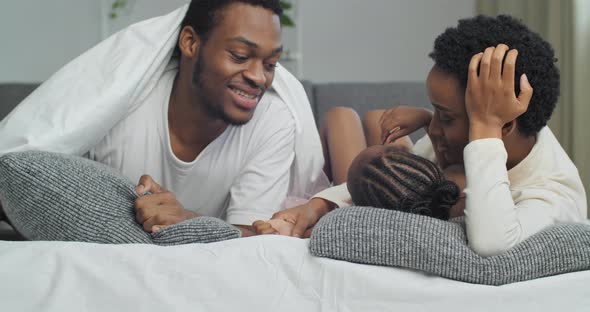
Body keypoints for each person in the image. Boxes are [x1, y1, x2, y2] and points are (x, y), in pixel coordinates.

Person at [0, 1, 327, 237]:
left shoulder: (273, 120)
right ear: (190, 42)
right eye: (240, 56)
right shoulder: (120, 111)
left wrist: (186, 219)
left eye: (270, 64)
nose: (259, 77)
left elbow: (252, 237)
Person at [271, 15, 587, 256]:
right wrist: (319, 206)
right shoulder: (458, 144)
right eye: (433, 113)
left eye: (445, 117)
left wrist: (485, 130)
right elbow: (396, 180)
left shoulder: (553, 196)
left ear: (502, 126)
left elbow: (491, 242)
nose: (433, 130)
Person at [253, 146, 464, 235]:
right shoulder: (459, 187)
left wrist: (280, 228)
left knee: (342, 116)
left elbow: (299, 232)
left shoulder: (342, 225)